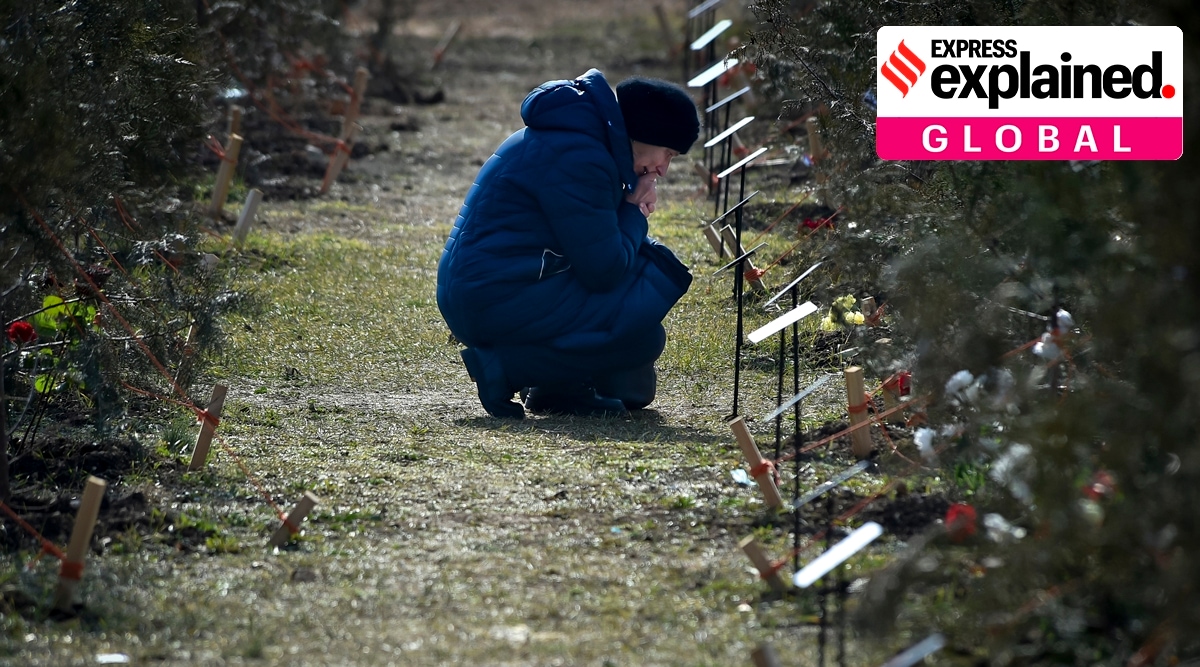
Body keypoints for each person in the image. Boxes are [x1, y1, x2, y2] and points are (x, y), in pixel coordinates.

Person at [436, 68, 699, 419]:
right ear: (643, 133)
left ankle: (557, 387)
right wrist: (634, 210)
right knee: (643, 334)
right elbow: (604, 271)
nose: (664, 168)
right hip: (494, 297)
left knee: (636, 343)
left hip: (493, 286)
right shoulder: (581, 159)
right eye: (667, 152)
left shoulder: (578, 140)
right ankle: (502, 369)